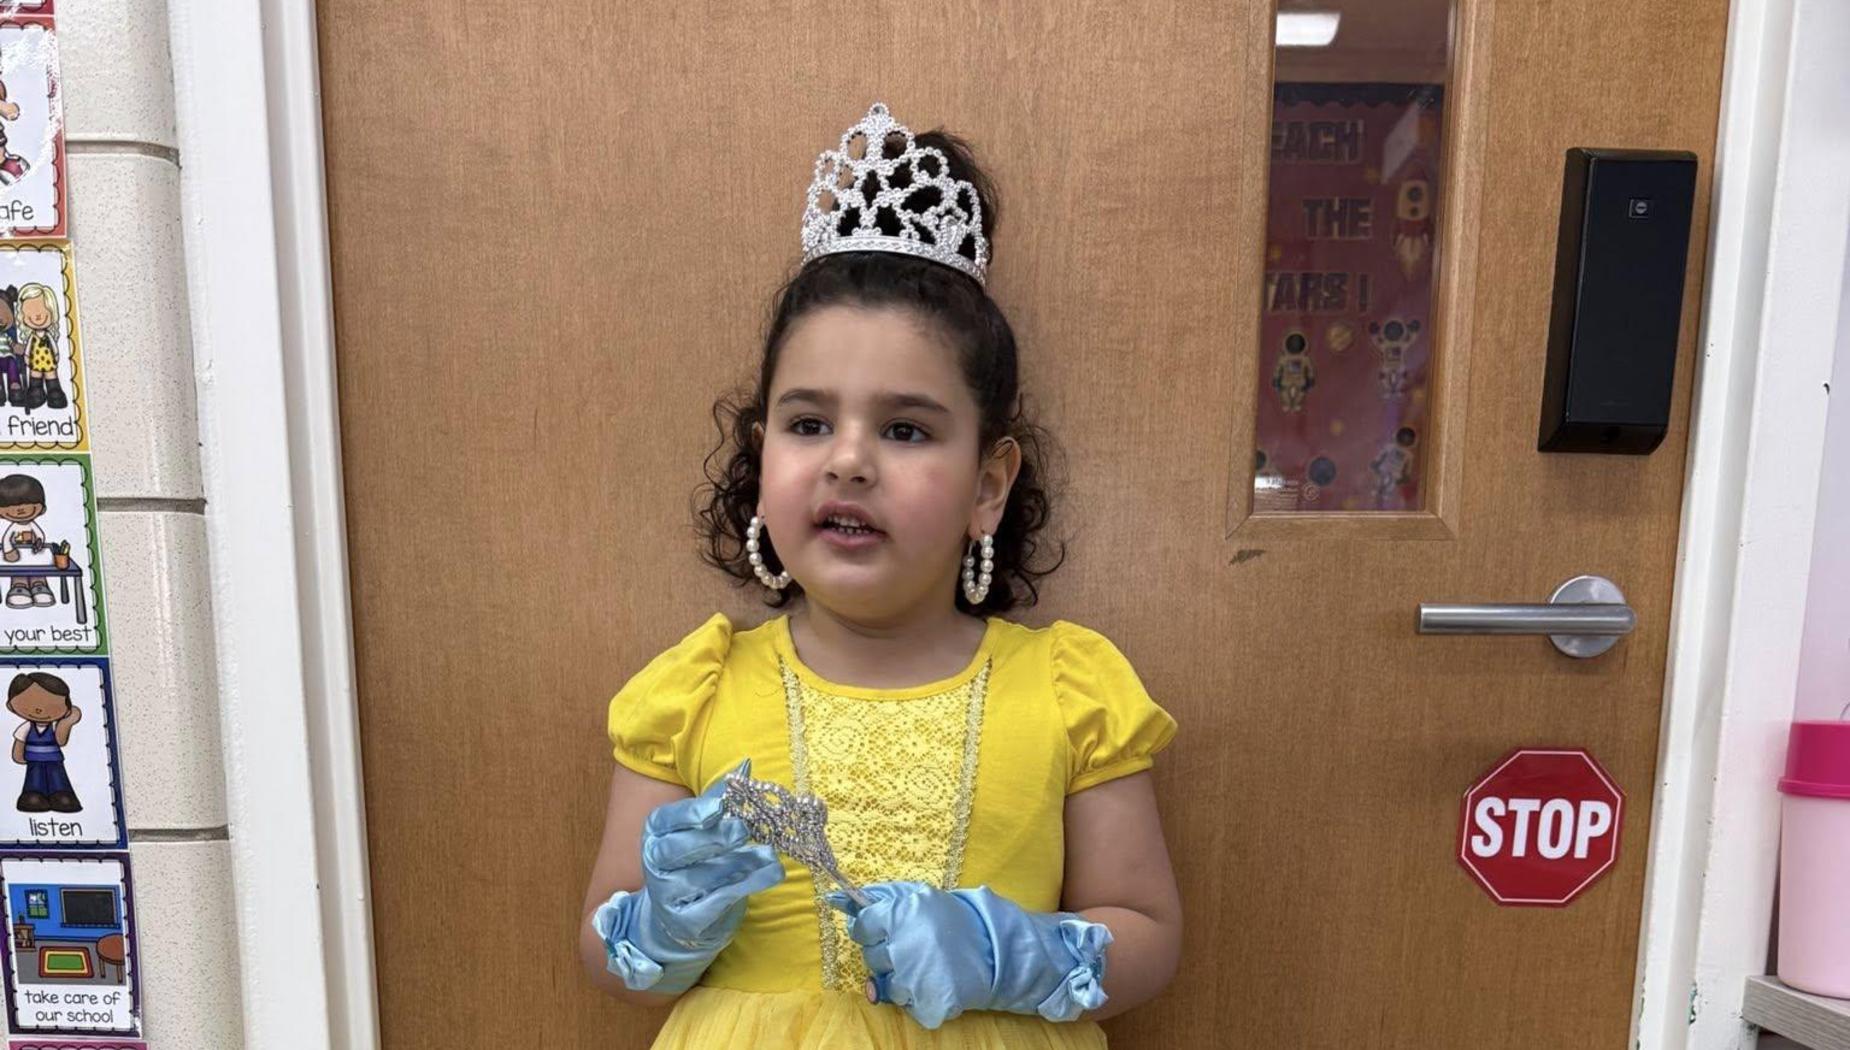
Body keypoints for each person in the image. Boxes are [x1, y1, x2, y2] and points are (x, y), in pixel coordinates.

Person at [579, 102, 1181, 1049]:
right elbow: (608, 955)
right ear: (761, 453)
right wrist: (659, 926)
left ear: (990, 483)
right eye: (809, 423)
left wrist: (1011, 952)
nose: (849, 461)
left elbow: (1148, 934)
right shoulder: (692, 693)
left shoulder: (1068, 694)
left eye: (904, 430)